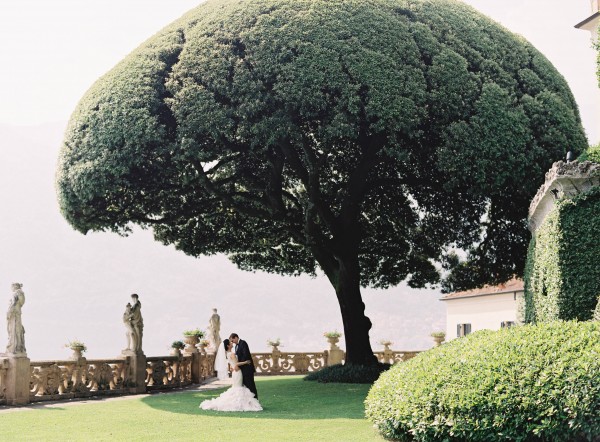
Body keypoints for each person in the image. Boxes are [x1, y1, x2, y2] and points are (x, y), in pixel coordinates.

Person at [199, 339, 262, 412]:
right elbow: (236, 364)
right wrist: (245, 362)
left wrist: (231, 367)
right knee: (238, 387)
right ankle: (238, 403)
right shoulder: (231, 354)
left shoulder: (227, 354)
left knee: (237, 387)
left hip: (235, 372)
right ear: (228, 346)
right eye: (230, 342)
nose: (232, 343)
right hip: (238, 372)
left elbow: (231, 364)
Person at [229, 333, 258, 399]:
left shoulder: (243, 343)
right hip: (242, 369)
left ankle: (255, 401)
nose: (232, 342)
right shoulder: (236, 346)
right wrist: (236, 365)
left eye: (232, 340)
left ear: (236, 337)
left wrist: (239, 364)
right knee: (245, 387)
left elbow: (246, 355)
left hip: (247, 369)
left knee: (251, 386)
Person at [6, 283, 26, 354]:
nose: (11, 288)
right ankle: (18, 347)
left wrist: (8, 313)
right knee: (18, 331)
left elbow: (13, 304)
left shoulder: (15, 293)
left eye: (12, 287)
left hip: (14, 315)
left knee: (13, 331)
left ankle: (14, 348)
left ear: (14, 287)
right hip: (18, 314)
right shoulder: (21, 294)